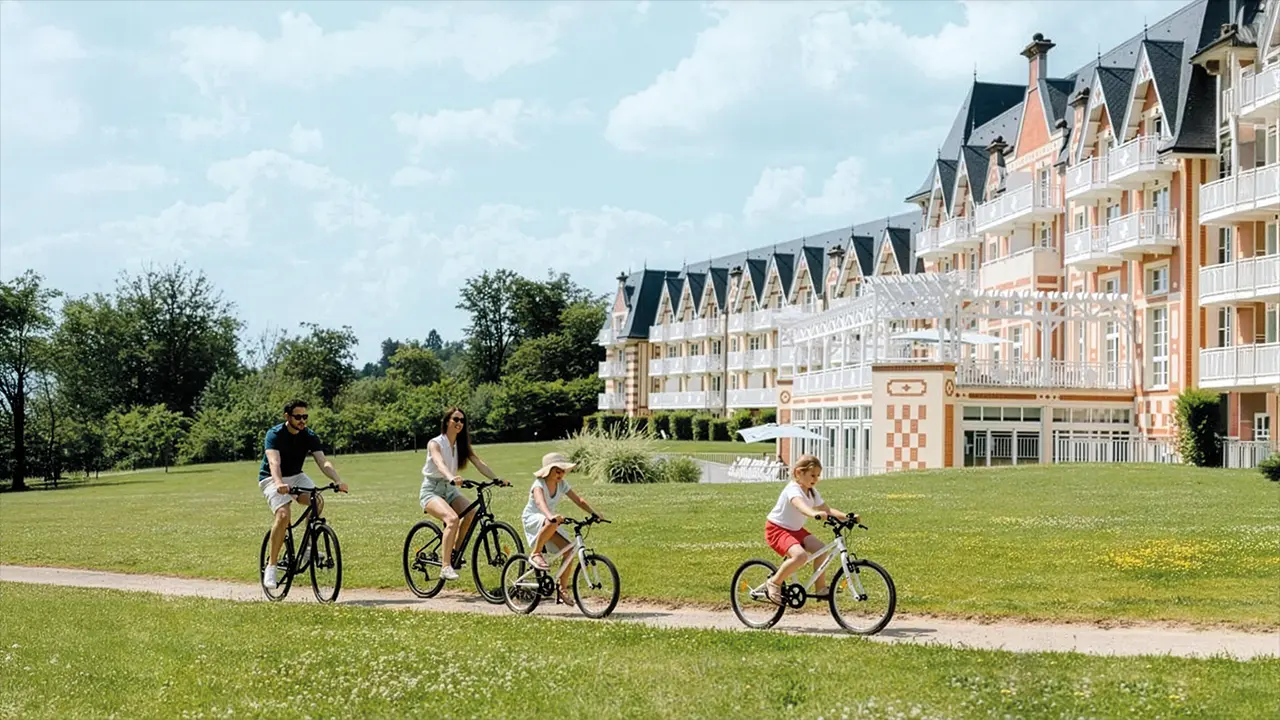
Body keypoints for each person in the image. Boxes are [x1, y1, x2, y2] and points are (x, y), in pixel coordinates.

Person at [259, 399, 348, 589]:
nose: (302, 421)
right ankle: (271, 566)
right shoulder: (274, 434)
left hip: (297, 476)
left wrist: (337, 480)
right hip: (272, 478)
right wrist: (279, 483)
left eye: (305, 417)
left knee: (317, 500)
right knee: (283, 515)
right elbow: (274, 462)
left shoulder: (309, 435)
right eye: (298, 417)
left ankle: (308, 548)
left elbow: (323, 462)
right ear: (287, 417)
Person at [420, 406, 507, 581]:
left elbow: (478, 462)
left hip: (450, 490)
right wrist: (451, 476)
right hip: (432, 490)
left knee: (471, 514)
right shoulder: (435, 443)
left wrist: (496, 478)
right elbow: (439, 462)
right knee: (452, 519)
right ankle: (445, 567)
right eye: (456, 419)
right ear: (447, 422)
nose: (459, 423)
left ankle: (454, 554)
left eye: (462, 420)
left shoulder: (461, 445)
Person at [762, 454, 857, 605]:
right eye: (812, 475)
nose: (816, 479)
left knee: (821, 549)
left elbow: (827, 510)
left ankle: (820, 589)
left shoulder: (812, 491)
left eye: (818, 476)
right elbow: (799, 505)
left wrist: (847, 517)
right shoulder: (793, 489)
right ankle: (774, 583)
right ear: (799, 473)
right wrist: (813, 513)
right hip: (777, 529)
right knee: (800, 556)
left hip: (795, 529)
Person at [521, 451, 605, 604]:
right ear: (547, 471)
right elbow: (540, 503)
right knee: (552, 522)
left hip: (550, 521)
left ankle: (562, 589)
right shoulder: (538, 484)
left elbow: (579, 500)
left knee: (569, 550)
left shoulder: (562, 484)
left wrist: (595, 513)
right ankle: (536, 553)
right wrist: (550, 516)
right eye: (557, 470)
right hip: (534, 517)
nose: (561, 474)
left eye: (563, 471)